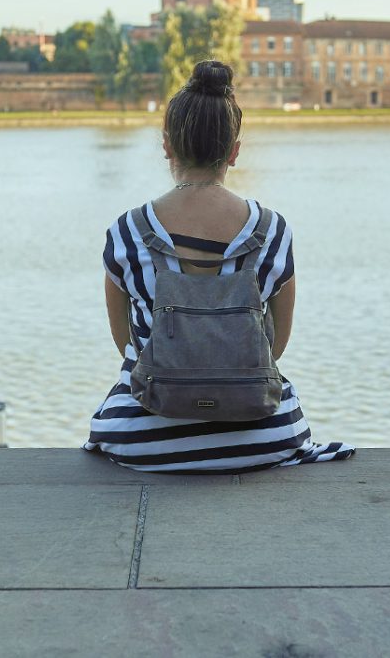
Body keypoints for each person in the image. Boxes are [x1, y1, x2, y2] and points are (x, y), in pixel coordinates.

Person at [84, 60, 354, 473]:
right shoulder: (273, 231)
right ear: (235, 151)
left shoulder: (127, 231)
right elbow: (276, 346)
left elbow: (127, 346)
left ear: (167, 146)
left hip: (142, 439)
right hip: (264, 437)